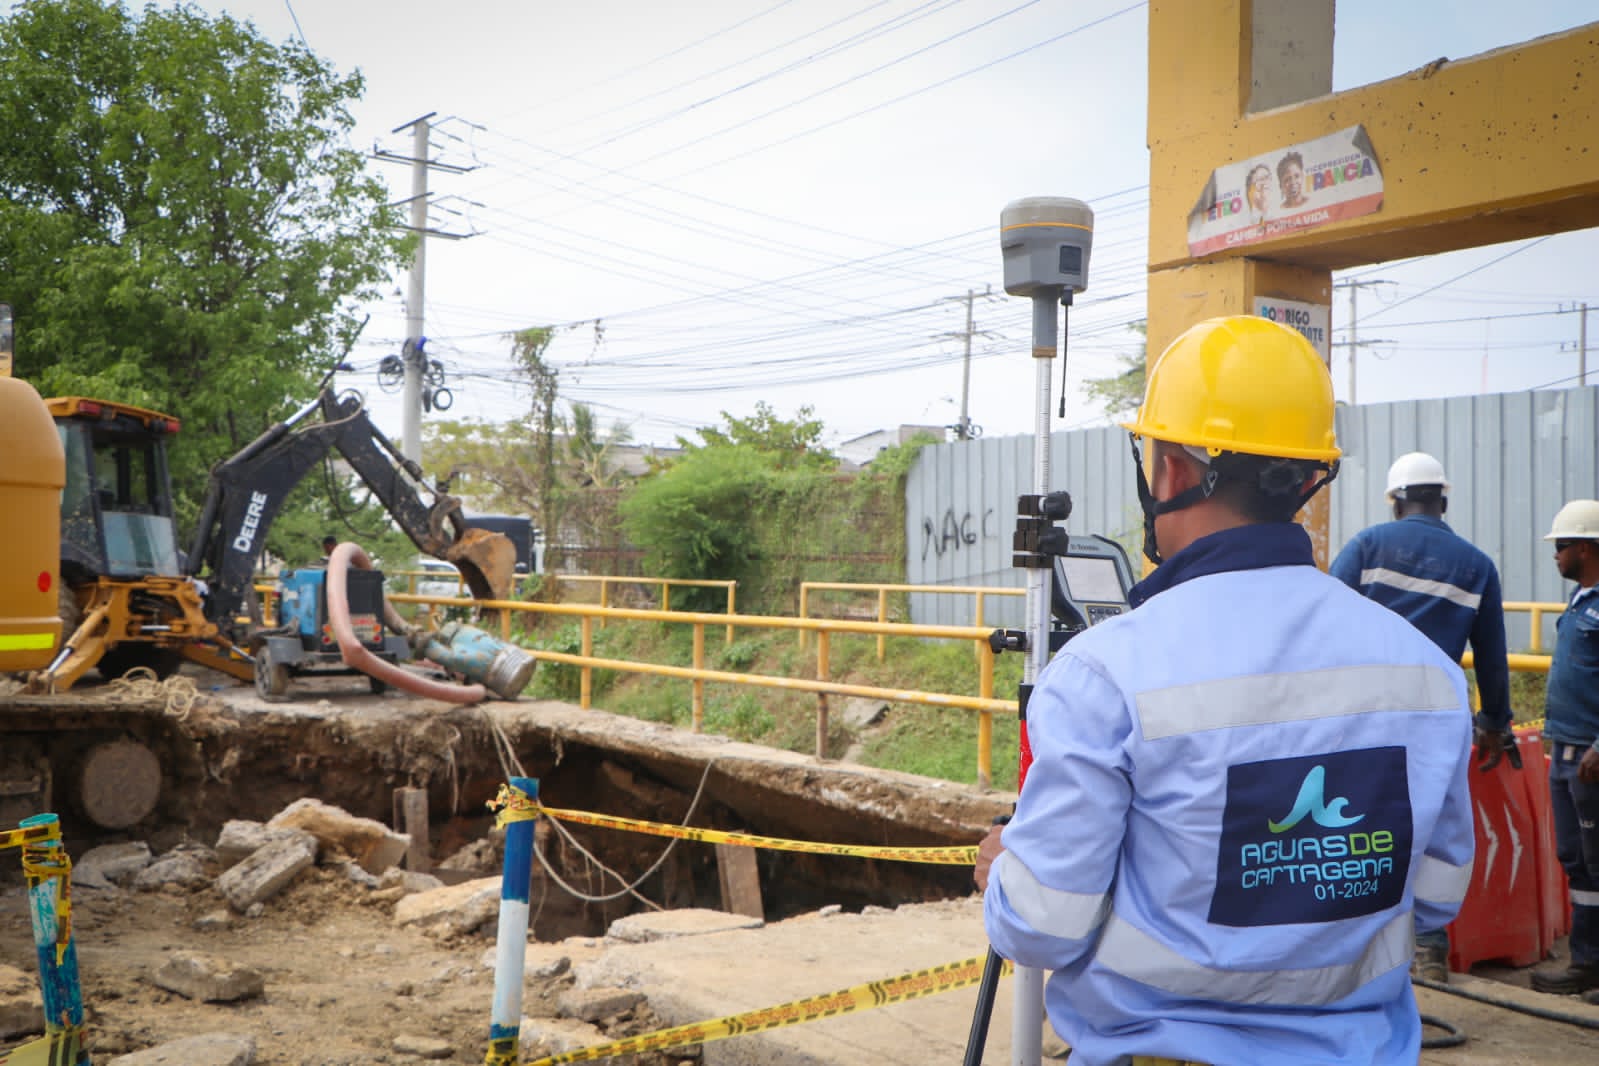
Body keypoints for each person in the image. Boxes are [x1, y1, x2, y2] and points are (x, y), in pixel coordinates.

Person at [975, 315, 1475, 1065]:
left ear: (1171, 469)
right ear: (1309, 478)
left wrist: (1004, 869)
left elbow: (1043, 926)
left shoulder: (1105, 674)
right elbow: (1436, 893)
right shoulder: (1427, 672)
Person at [1527, 499, 1599, 999]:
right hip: (1567, 753)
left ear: (1588, 548)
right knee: (1576, 861)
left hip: (1592, 759)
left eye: (1562, 546)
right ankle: (1587, 962)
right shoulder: (1579, 603)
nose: (1556, 555)